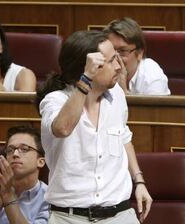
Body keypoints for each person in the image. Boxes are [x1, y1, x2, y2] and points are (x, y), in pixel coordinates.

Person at [37, 30, 152, 223]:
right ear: (87, 69)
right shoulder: (55, 101)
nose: (118, 67)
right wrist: (86, 80)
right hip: (69, 217)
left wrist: (139, 181)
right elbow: (62, 129)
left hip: (120, 214)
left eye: (117, 57)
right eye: (109, 61)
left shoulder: (117, 96)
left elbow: (123, 138)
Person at [104, 17, 170, 95]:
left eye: (123, 51)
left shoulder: (152, 77)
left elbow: (154, 107)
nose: (115, 59)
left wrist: (123, 92)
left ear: (139, 54)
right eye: (111, 50)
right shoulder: (101, 71)